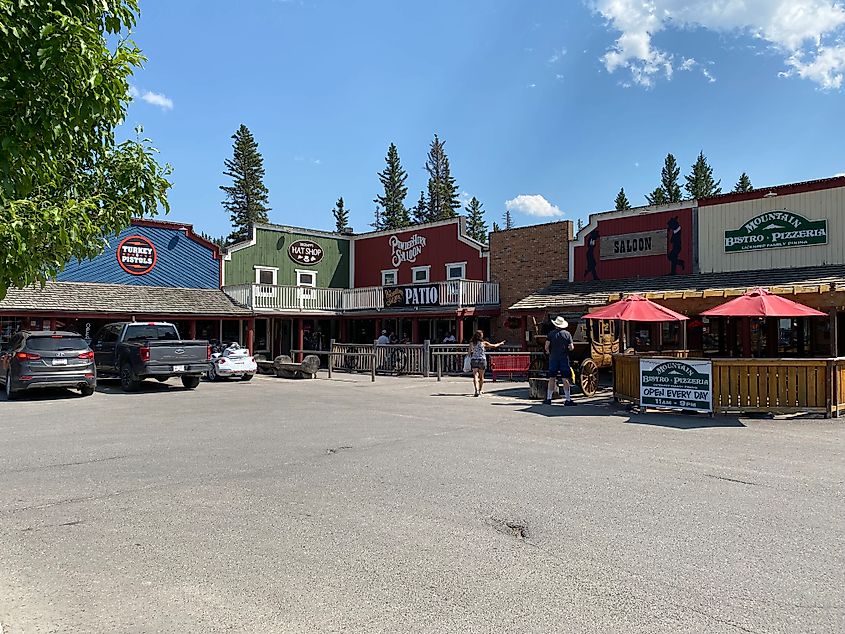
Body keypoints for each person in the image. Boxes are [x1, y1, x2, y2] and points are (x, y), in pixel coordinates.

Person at [545, 316, 575, 406]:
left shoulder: (551, 334)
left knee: (552, 378)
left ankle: (549, 398)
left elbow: (546, 346)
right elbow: (571, 347)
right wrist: (568, 349)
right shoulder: (567, 334)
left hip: (553, 358)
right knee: (565, 379)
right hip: (564, 358)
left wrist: (548, 352)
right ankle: (568, 399)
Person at [467, 330, 505, 397]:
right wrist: (500, 343)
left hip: (474, 359)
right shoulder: (484, 343)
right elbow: (494, 346)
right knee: (481, 376)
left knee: (475, 375)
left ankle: (476, 390)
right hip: (482, 360)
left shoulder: (472, 343)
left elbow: (469, 353)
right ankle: (480, 390)